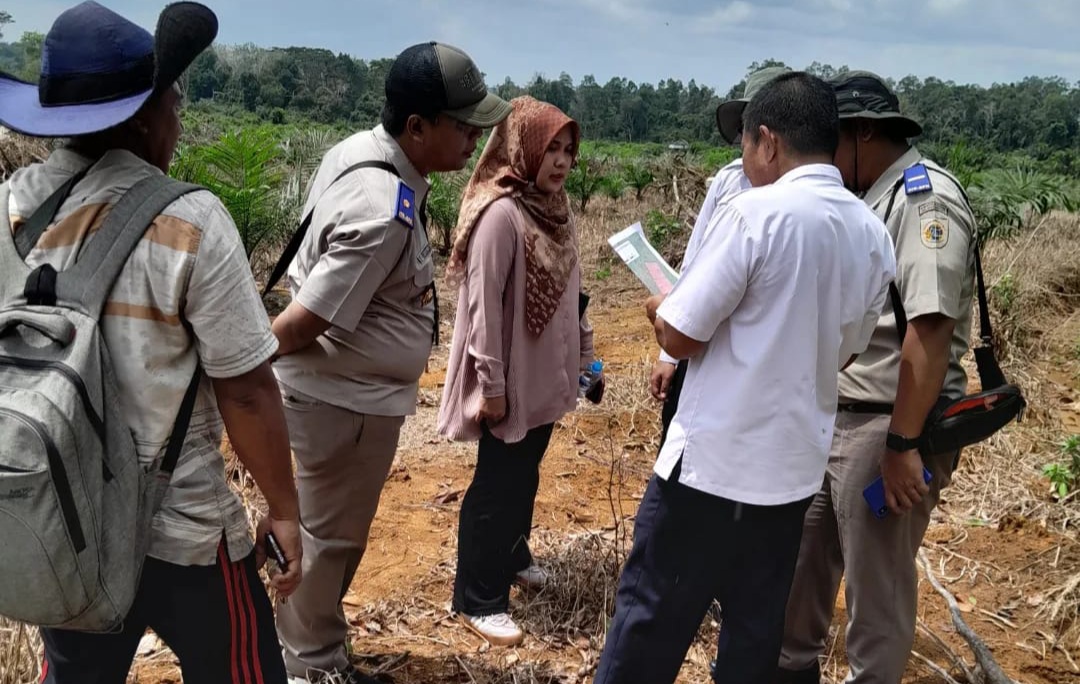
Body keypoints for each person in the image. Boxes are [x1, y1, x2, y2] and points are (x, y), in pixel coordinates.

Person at [0, 2, 302, 682]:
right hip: (183, 529)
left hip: (61, 517)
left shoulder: (8, 208)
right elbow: (249, 393)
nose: (181, 116)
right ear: (144, 116)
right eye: (175, 100)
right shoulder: (190, 221)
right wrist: (285, 512)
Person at [592, 72, 896, 684]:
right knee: (754, 639)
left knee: (650, 621)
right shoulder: (871, 233)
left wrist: (660, 309)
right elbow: (846, 352)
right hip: (790, 479)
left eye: (745, 150)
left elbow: (680, 335)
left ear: (766, 141)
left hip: (710, 472)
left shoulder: (755, 213)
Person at [268, 41, 511, 684]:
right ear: (417, 127)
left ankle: (316, 650)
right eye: (463, 127)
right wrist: (238, 369)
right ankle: (307, 667)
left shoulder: (360, 152)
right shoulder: (383, 211)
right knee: (328, 541)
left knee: (330, 536)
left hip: (348, 395)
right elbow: (303, 322)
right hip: (340, 402)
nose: (473, 140)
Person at [778, 71, 977, 684]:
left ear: (862, 133)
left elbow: (931, 330)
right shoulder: (873, 200)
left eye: (831, 145)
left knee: (877, 591)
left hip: (885, 425)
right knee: (803, 566)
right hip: (840, 419)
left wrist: (902, 445)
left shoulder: (924, 202)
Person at [437, 96, 601, 647]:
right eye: (550, 147)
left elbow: (573, 294)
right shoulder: (501, 215)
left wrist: (583, 356)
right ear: (522, 147)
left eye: (568, 150)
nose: (561, 161)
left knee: (524, 473)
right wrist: (493, 387)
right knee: (496, 486)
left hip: (545, 375)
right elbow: (482, 307)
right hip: (509, 379)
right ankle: (478, 597)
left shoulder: (557, 210)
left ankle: (513, 556)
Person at [651, 65, 790, 445]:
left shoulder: (802, 203)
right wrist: (669, 356)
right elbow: (695, 262)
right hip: (700, 346)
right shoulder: (729, 181)